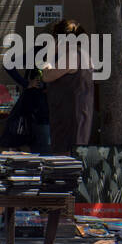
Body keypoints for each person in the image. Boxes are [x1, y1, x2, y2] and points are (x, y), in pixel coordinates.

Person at [40, 18, 95, 154]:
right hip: (79, 114)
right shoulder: (84, 55)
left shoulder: (71, 56)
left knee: (65, 157)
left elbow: (47, 75)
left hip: (68, 117)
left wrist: (49, 59)